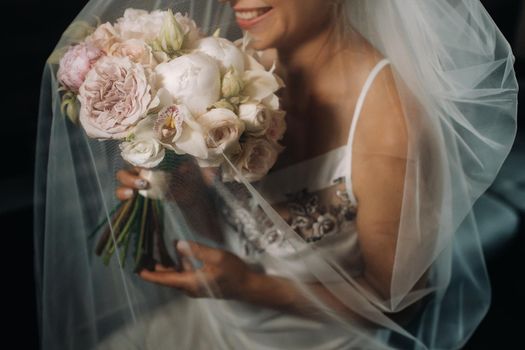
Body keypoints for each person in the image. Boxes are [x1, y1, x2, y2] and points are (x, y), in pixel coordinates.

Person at [34, 1, 518, 349]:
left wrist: (248, 287)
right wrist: (176, 184)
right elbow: (236, 231)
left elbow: (401, 302)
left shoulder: (392, 124)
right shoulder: (224, 69)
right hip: (222, 323)